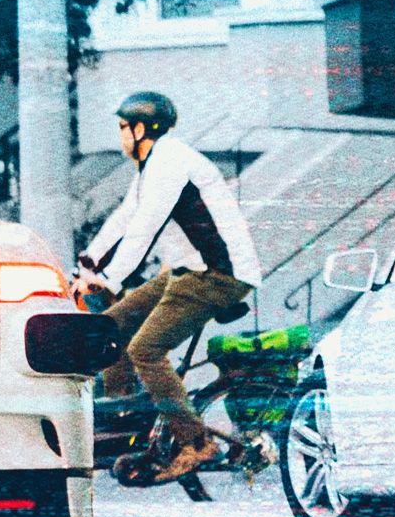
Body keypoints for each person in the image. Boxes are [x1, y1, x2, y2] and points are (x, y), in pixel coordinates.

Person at [72, 89, 264, 482]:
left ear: (142, 128)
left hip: (218, 275)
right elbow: (127, 215)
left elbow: (145, 227)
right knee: (110, 326)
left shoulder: (172, 162)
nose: (121, 136)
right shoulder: (153, 164)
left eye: (124, 128)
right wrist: (87, 264)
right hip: (187, 270)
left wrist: (109, 279)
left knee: (146, 348)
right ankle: (127, 422)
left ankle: (195, 442)